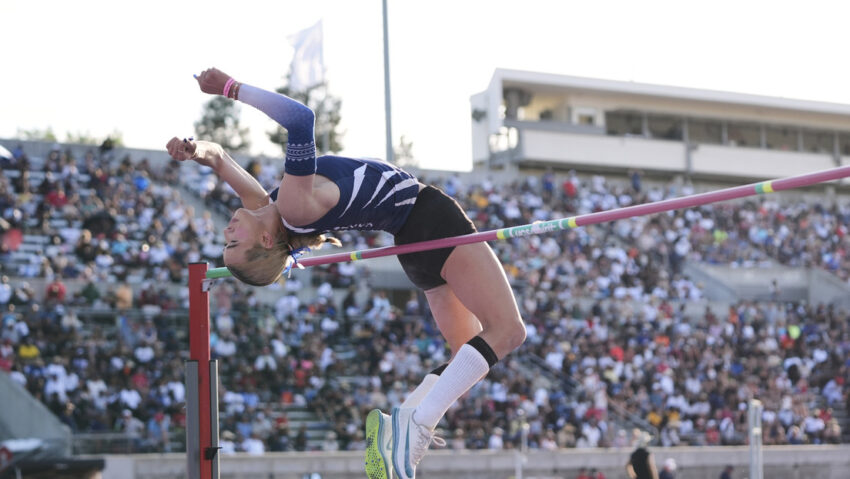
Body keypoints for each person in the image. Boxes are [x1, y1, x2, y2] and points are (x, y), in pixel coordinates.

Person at [168, 68, 526, 479]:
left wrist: (193, 149)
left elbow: (217, 157)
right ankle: (418, 424)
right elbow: (301, 119)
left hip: (410, 244)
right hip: (430, 219)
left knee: (467, 352)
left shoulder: (267, 206)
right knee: (508, 331)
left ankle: (404, 422)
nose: (227, 231)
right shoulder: (292, 206)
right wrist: (231, 88)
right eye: (233, 243)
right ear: (266, 242)